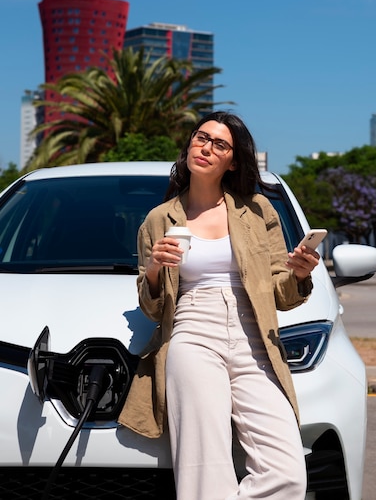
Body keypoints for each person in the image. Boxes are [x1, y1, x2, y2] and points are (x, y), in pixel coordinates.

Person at [119, 111, 320, 500]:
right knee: (204, 472)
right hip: (193, 333)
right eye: (201, 138)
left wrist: (298, 274)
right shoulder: (160, 219)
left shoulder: (259, 211)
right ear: (190, 144)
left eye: (220, 144)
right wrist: (156, 268)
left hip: (255, 337)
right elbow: (151, 306)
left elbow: (281, 294)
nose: (206, 148)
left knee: (288, 473)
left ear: (233, 160)